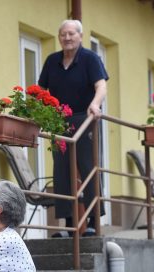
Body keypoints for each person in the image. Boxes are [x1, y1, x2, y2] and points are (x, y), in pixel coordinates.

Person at [39, 19, 108, 238]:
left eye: (71, 34)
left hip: (83, 117)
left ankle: (92, 222)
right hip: (58, 120)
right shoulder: (52, 61)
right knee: (61, 170)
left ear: (80, 36)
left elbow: (101, 85)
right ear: (59, 37)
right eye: (63, 34)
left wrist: (95, 104)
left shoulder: (90, 58)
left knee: (88, 168)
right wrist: (37, 111)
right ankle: (69, 224)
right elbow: (41, 89)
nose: (67, 38)